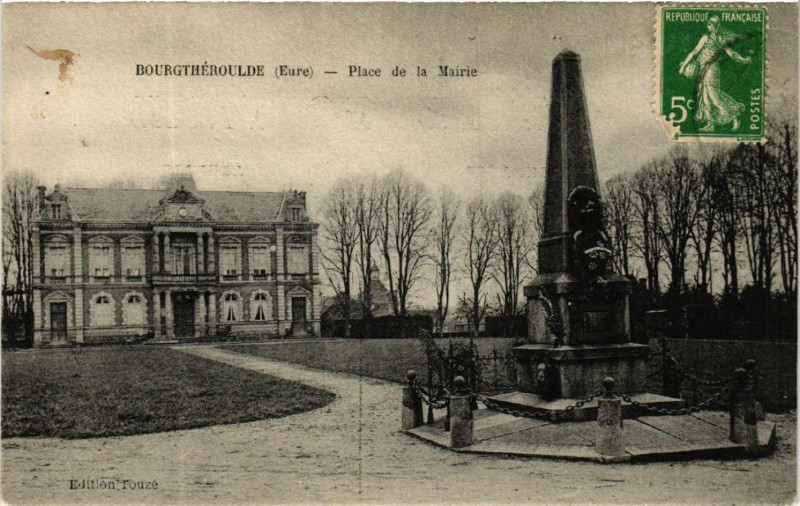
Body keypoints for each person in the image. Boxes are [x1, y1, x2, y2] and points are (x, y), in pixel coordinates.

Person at [679, 15, 752, 132]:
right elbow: (695, 52)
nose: (708, 26)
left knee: (714, 95)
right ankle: (710, 124)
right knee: (705, 96)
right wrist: (684, 65)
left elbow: (732, 54)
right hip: (703, 69)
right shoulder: (705, 38)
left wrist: (743, 60)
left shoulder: (720, 40)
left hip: (712, 69)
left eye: (710, 24)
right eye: (708, 24)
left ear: (715, 26)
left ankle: (734, 116)